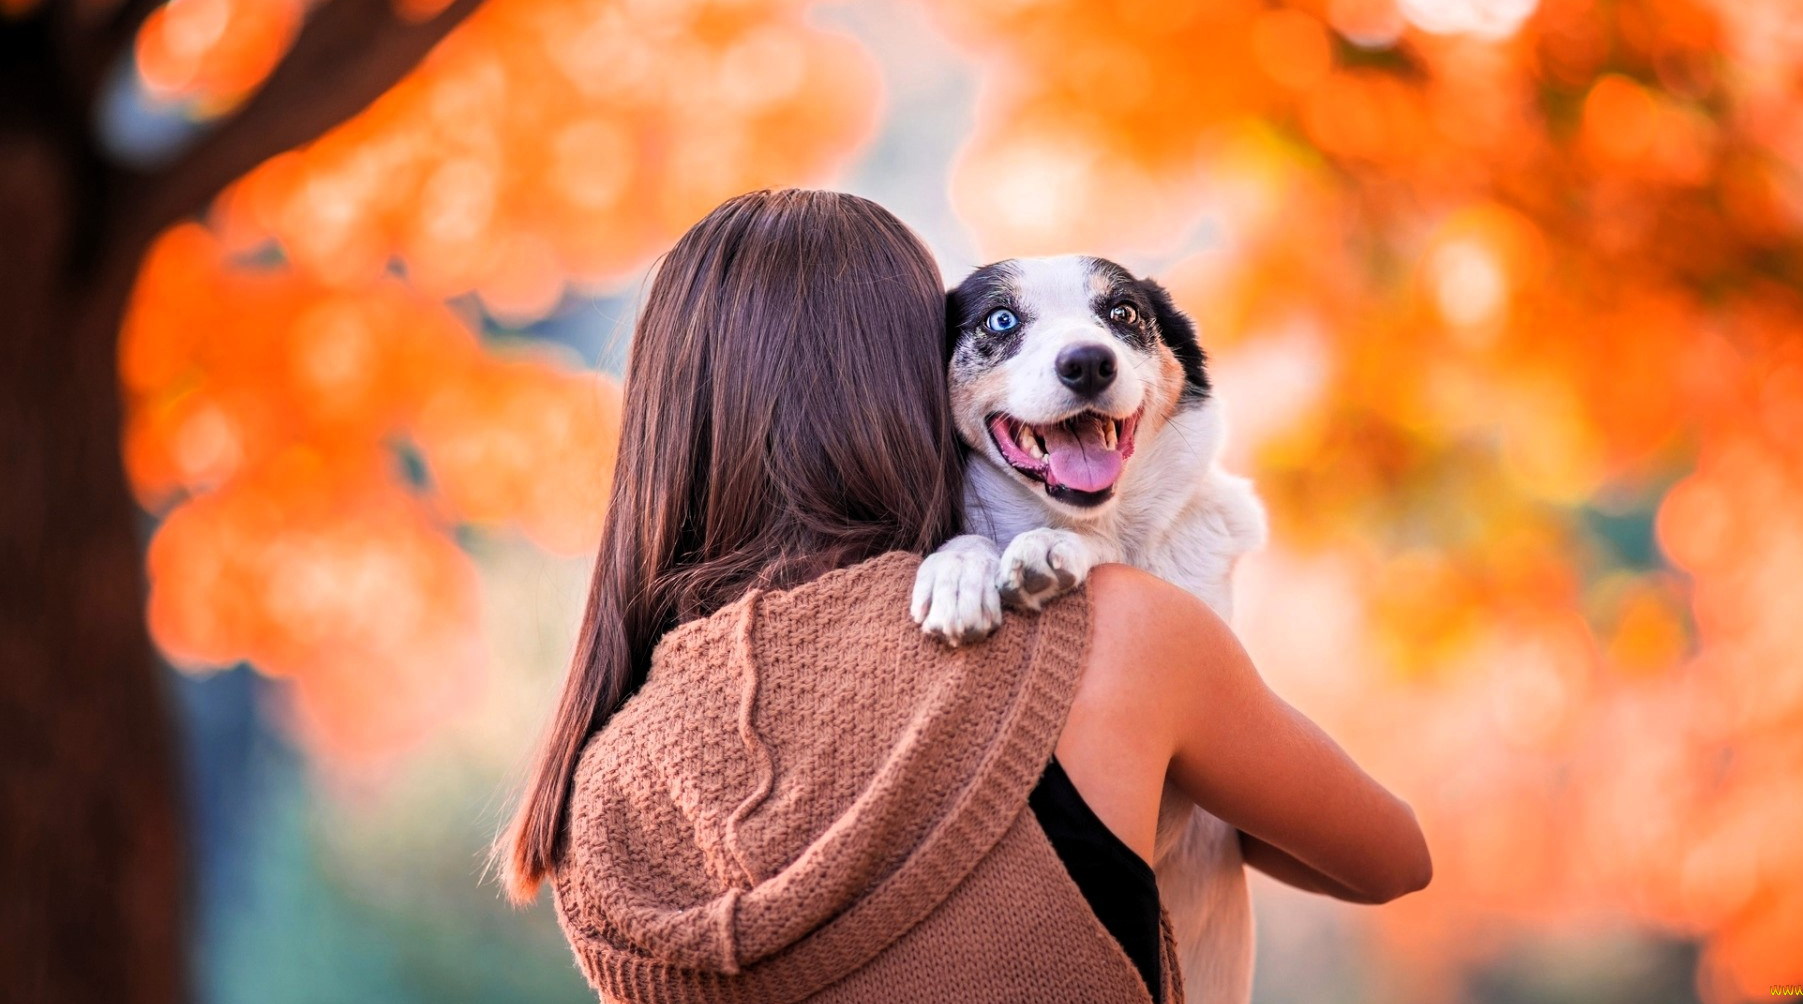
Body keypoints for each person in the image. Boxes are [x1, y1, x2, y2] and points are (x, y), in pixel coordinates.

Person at [496, 189, 1430, 1004]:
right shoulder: (1125, 631)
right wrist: (1208, 731)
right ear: (910, 382)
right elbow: (1394, 859)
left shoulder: (603, 780)